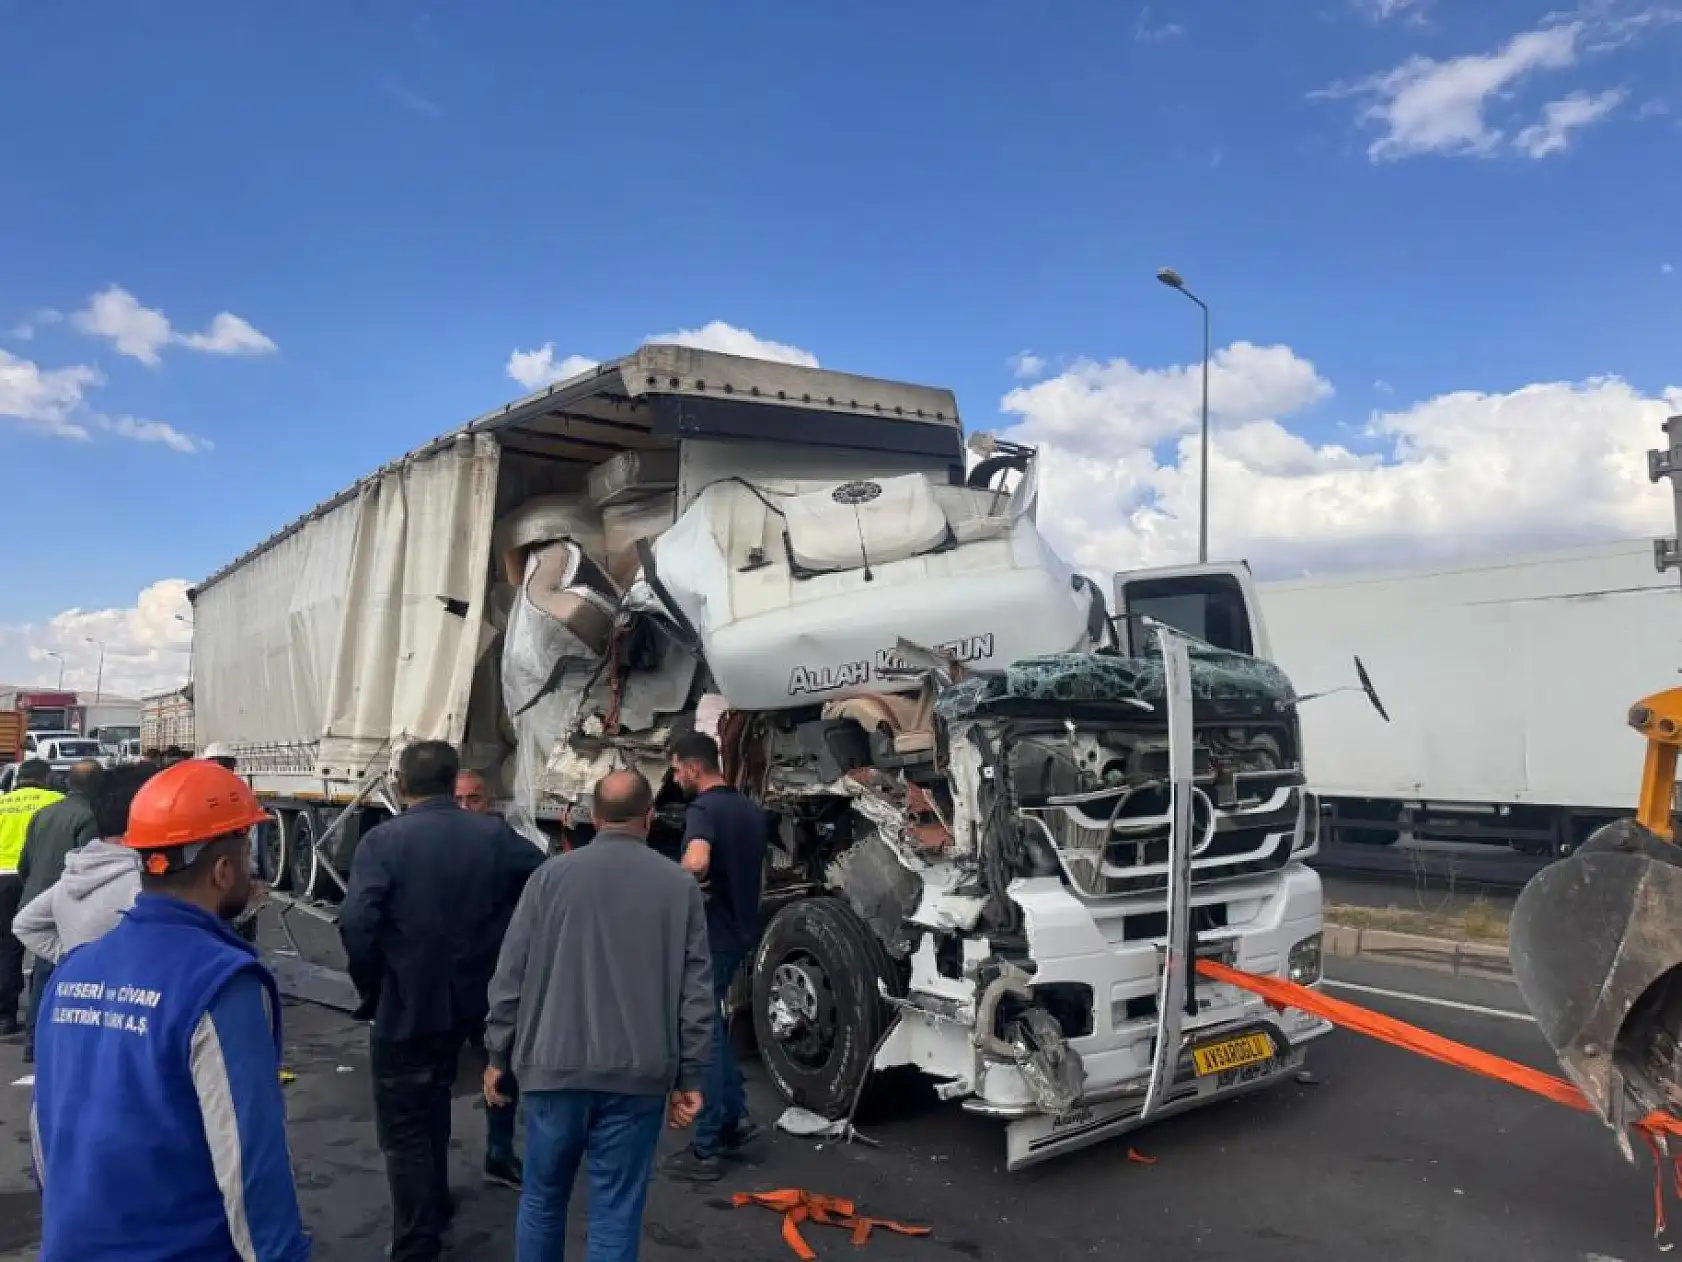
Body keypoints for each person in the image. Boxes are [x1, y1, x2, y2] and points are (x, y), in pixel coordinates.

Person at [30, 758, 311, 1261]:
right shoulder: (220, 983)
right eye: (247, 853)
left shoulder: (73, 970)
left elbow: (45, 1129)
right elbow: (250, 1167)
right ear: (223, 871)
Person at [484, 769, 712, 1262]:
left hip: (552, 1069)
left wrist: (498, 1053)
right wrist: (691, 1075)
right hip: (638, 1076)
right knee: (615, 1213)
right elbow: (696, 993)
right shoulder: (678, 887)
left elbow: (510, 975)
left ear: (593, 816)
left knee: (543, 1201)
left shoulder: (549, 878)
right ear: (649, 818)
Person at [339, 741, 545, 1262]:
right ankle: (440, 1200)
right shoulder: (493, 836)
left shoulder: (383, 842)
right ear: (453, 783)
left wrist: (372, 988)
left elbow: (357, 923)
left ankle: (417, 1241)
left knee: (406, 1123)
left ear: (401, 786)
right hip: (470, 1001)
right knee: (434, 1097)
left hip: (407, 1004)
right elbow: (544, 878)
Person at [661, 732, 770, 1182]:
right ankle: (734, 1118)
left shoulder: (703, 810)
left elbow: (698, 862)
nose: (674, 777)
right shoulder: (748, 808)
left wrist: (674, 877)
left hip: (712, 934)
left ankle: (707, 1146)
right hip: (743, 927)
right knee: (713, 1027)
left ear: (691, 766)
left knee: (699, 1033)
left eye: (674, 769)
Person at [452, 767, 529, 1189]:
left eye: (474, 799)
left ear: (490, 802)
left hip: (492, 982)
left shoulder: (507, 847)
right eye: (458, 800)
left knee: (501, 1070)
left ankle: (499, 1154)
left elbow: (545, 883)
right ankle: (431, 1178)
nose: (466, 808)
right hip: (445, 987)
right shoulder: (435, 848)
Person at [13, 762, 157, 965]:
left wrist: (72, 959)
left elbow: (24, 920)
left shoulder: (44, 813)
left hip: (50, 908)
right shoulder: (143, 887)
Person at [14, 758, 103, 1058]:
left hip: (37, 899)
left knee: (42, 974)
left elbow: (23, 863)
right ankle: (57, 1043)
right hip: (67, 902)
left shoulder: (44, 813)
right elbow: (87, 868)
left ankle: (34, 1041)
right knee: (67, 971)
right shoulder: (90, 817)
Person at [0, 759, 61, 1041]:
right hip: (35, 878)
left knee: (6, 946)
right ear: (45, 778)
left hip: (1, 877)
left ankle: (5, 1014)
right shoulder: (56, 801)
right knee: (44, 945)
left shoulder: (3, 803)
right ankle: (40, 1013)